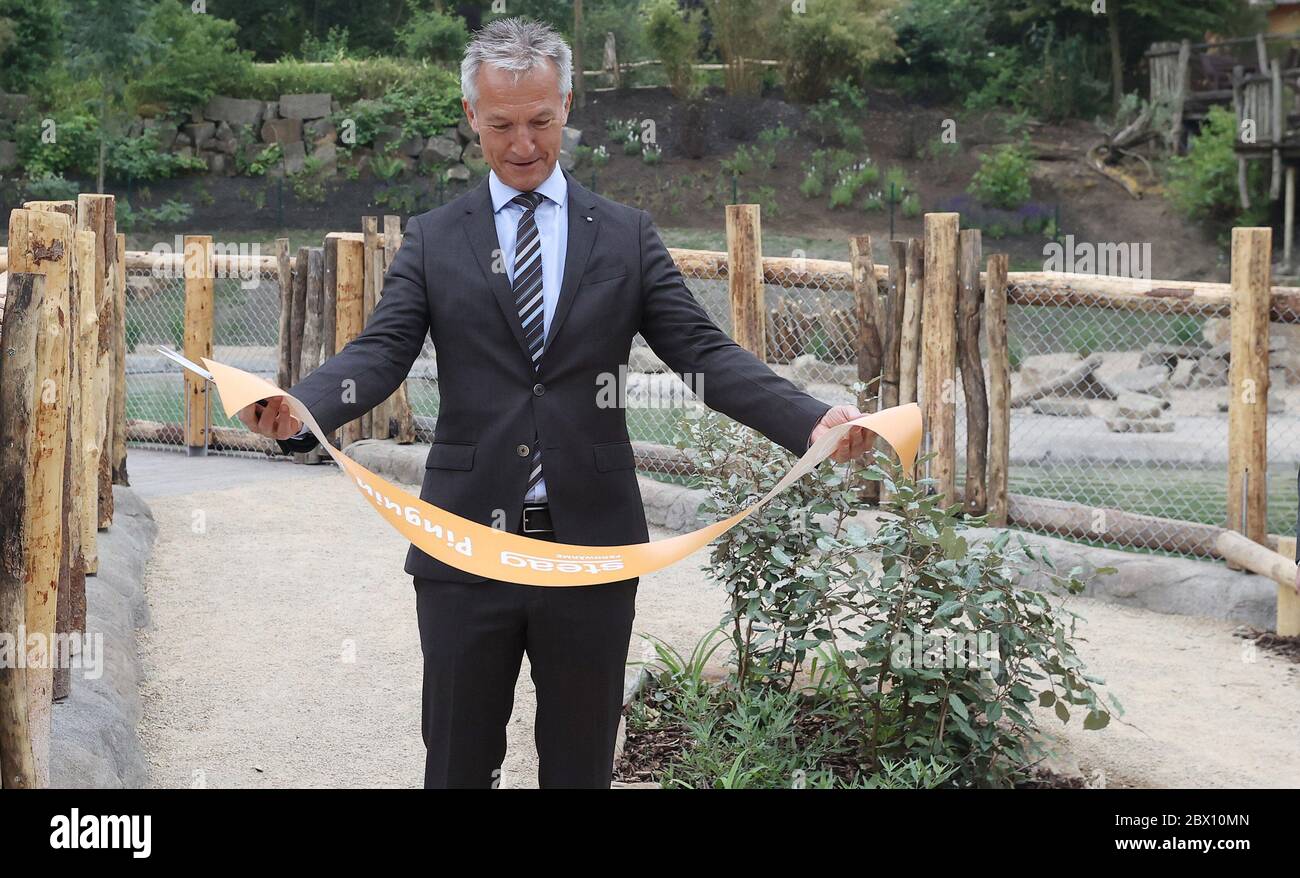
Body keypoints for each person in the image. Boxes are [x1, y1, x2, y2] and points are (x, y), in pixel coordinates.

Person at [237, 17, 874, 788]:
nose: (524, 143)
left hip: (593, 552)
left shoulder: (627, 236)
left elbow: (702, 355)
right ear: (471, 116)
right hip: (465, 546)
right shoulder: (436, 240)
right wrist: (301, 409)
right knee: (458, 766)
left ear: (568, 103)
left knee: (579, 771)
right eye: (502, 124)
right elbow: (381, 351)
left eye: (541, 120)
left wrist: (811, 418)